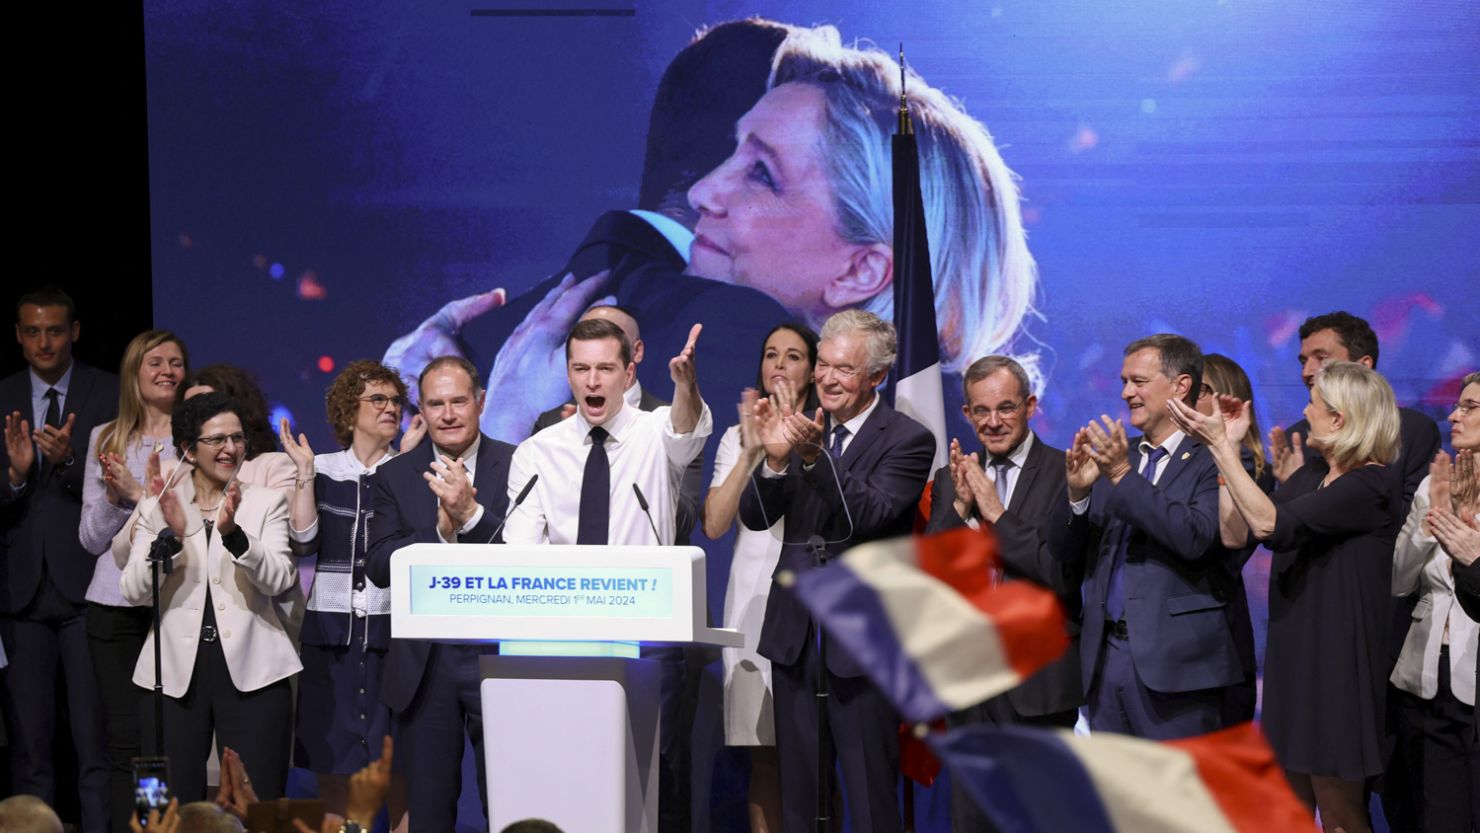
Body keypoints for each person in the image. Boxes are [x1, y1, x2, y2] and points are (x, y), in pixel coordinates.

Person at [1168, 361, 1403, 833]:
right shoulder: (1312, 476)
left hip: (1337, 668)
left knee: (1338, 813)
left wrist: (1218, 446)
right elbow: (1238, 532)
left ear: (1338, 419)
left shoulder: (1371, 485)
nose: (1304, 410)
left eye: (1314, 404)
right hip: (1295, 659)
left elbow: (1271, 524)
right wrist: (1230, 448)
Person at [739, 310, 934, 833]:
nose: (825, 378)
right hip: (796, 636)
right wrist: (776, 462)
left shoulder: (909, 440)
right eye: (822, 364)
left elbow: (868, 515)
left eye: (843, 370)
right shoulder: (802, 429)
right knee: (800, 797)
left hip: (862, 644)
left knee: (870, 796)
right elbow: (756, 517)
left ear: (876, 377)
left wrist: (814, 456)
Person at [1269, 310, 1442, 832]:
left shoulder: (1403, 438)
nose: (1306, 372)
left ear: (1363, 370)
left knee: (1361, 801)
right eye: (1302, 360)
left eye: (1320, 359)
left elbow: (1403, 537)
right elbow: (1276, 525)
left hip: (1361, 636)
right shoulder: (1307, 441)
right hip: (1300, 632)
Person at [1047, 334, 1253, 740]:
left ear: (1181, 386)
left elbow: (1196, 537)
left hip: (1177, 670)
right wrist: (1077, 495)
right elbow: (1064, 552)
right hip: (1106, 664)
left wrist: (1123, 476)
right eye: (1124, 381)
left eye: (1138, 381)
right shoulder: (1120, 457)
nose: (1126, 393)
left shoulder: (1219, 456)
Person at [922, 355, 1082, 831]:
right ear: (967, 414)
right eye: (981, 411)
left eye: (1006, 408)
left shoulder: (1065, 474)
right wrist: (958, 509)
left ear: (1030, 405)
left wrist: (995, 513)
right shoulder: (952, 478)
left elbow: (1061, 572)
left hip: (1039, 684)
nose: (993, 422)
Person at [120, 392, 302, 803]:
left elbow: (280, 578)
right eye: (217, 440)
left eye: (237, 438)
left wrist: (235, 535)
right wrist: (175, 535)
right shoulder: (161, 503)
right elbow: (132, 591)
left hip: (255, 673)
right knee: (161, 808)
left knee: (258, 807)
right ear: (188, 448)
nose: (231, 448)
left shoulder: (264, 501)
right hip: (168, 676)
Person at [365, 356, 515, 833]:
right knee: (427, 813)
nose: (448, 414)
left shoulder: (519, 463)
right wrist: (437, 533)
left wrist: (471, 515)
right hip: (424, 665)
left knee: (513, 802)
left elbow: (528, 555)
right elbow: (379, 566)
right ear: (422, 411)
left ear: (481, 402)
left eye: (458, 401)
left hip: (503, 656)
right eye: (436, 404)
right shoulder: (394, 475)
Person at [278, 360, 422, 819]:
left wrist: (411, 464)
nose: (390, 408)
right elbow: (302, 542)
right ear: (347, 411)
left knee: (400, 768)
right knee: (333, 767)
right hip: (331, 638)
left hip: (390, 636)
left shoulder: (408, 471)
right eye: (377, 399)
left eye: (395, 400)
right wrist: (303, 474)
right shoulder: (319, 468)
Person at [0, 285, 117, 831]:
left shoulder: (109, 393)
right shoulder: (1, 396)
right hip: (20, 593)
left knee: (95, 743)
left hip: (88, 589)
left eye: (54, 330)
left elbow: (120, 487)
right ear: (19, 338)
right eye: (32, 331)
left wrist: (72, 463)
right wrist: (16, 477)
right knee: (30, 747)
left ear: (73, 332)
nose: (43, 341)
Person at [702, 322, 818, 833]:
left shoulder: (825, 434)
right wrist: (752, 450)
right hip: (752, 615)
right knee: (763, 757)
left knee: (818, 761)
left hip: (814, 614)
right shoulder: (735, 439)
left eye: (793, 356)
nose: (779, 364)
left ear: (813, 371)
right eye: (771, 354)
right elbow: (714, 523)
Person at [78, 329, 188, 832]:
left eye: (176, 363)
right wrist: (117, 497)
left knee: (164, 739)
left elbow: (190, 522)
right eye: (156, 362)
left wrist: (139, 490)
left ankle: (161, 825)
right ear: (134, 372)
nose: (167, 371)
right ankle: (143, 827)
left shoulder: (198, 437)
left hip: (175, 601)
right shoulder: (107, 438)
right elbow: (90, 538)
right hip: (114, 607)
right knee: (127, 742)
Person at [503, 317, 710, 546]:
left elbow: (686, 429)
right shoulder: (535, 453)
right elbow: (522, 550)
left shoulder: (657, 432)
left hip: (644, 580)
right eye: (581, 369)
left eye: (605, 368)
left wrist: (686, 385)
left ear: (628, 374)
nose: (592, 381)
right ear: (569, 376)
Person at [1389, 371, 1480, 833]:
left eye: (1470, 407)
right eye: (1458, 405)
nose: (1454, 414)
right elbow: (1401, 581)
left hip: (1475, 670)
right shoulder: (1432, 486)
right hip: (1425, 676)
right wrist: (1431, 519)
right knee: (1436, 816)